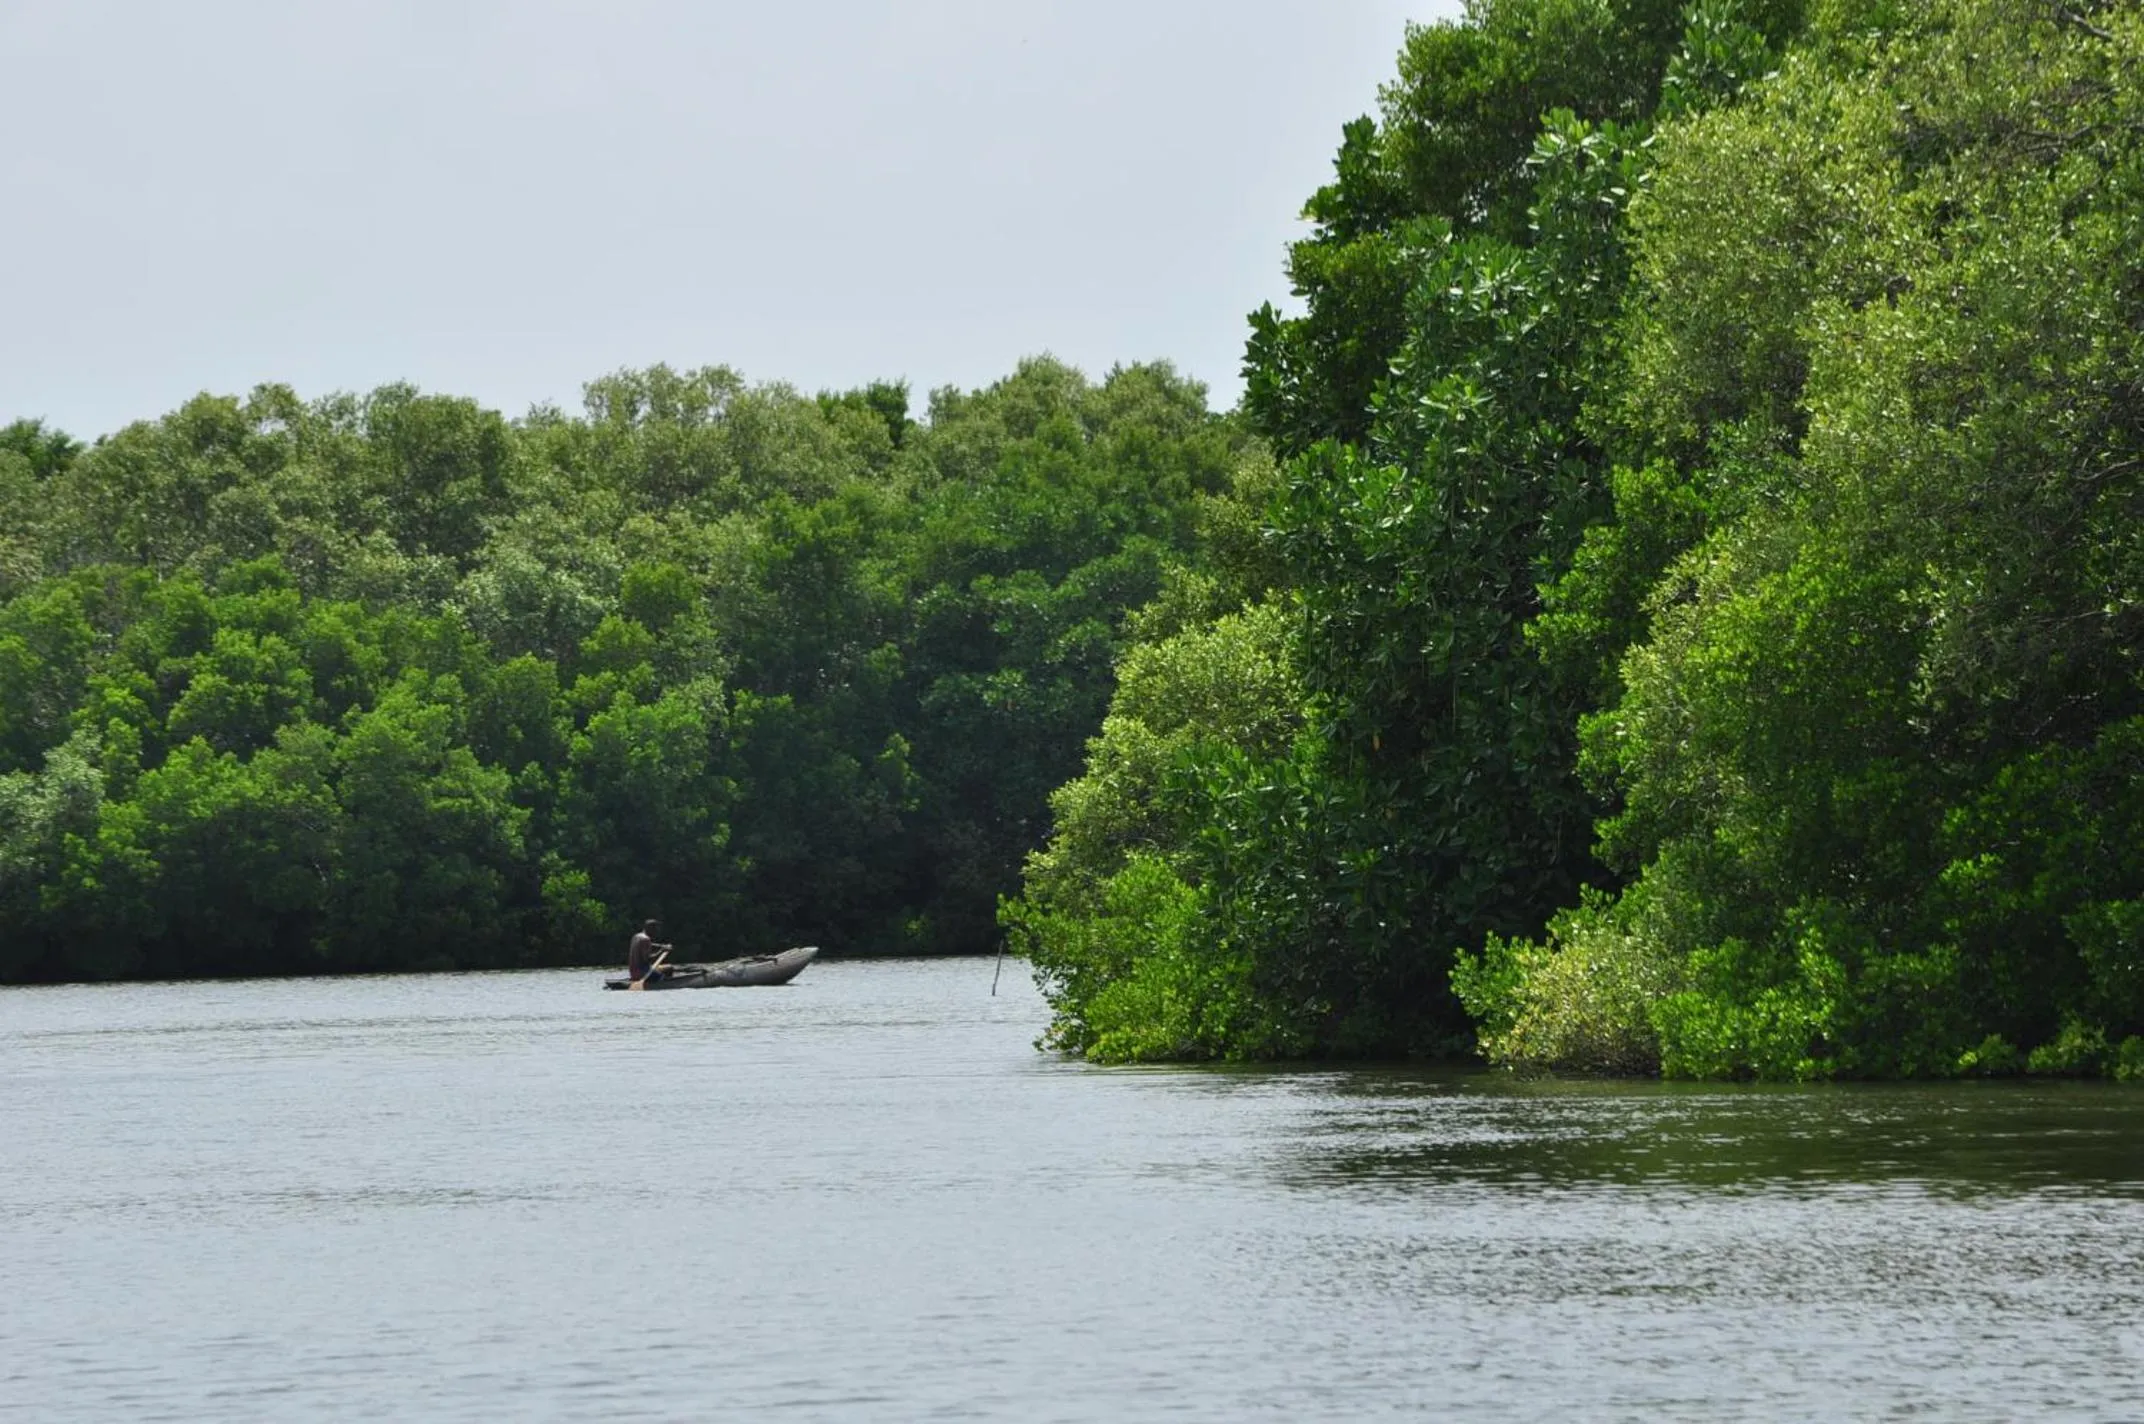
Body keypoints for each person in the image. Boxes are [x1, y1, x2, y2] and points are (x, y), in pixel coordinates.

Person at [626, 920, 673, 989]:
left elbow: (649, 944)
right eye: (656, 929)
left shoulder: (636, 936)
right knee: (666, 972)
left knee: (669, 968)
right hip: (643, 974)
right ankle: (665, 983)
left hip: (633, 973)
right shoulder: (646, 939)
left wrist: (661, 946)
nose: (657, 931)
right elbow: (647, 959)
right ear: (650, 928)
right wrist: (661, 951)